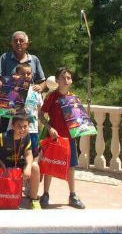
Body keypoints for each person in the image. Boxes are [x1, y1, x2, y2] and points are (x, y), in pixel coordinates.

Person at [38, 67, 85, 209]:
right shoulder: (51, 97)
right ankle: (45, 194)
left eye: (69, 78)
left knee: (71, 167)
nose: (66, 80)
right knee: (50, 165)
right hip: (54, 137)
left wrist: (81, 128)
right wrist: (49, 128)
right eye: (63, 77)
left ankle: (73, 195)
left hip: (69, 139)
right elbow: (41, 115)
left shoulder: (74, 98)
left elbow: (78, 120)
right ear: (57, 80)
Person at [0, 31, 45, 132]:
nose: (18, 43)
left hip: (28, 106)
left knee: (27, 135)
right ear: (11, 44)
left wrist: (40, 87)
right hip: (9, 102)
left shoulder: (34, 59)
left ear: (27, 44)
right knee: (5, 134)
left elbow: (43, 81)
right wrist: (5, 90)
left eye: (21, 40)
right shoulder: (5, 57)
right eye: (15, 41)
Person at [0, 114, 41, 210]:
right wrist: (0, 163)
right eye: (19, 127)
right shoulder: (3, 137)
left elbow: (29, 154)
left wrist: (28, 167)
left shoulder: (26, 136)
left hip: (16, 164)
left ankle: (34, 200)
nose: (22, 130)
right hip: (1, 166)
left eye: (25, 127)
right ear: (13, 126)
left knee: (35, 167)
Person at [7, 63, 43, 157]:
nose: (26, 76)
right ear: (17, 74)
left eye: (28, 73)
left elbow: (40, 110)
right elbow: (6, 109)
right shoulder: (11, 89)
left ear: (32, 75)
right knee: (14, 156)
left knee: (33, 156)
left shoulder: (36, 91)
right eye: (23, 73)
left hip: (32, 130)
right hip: (15, 130)